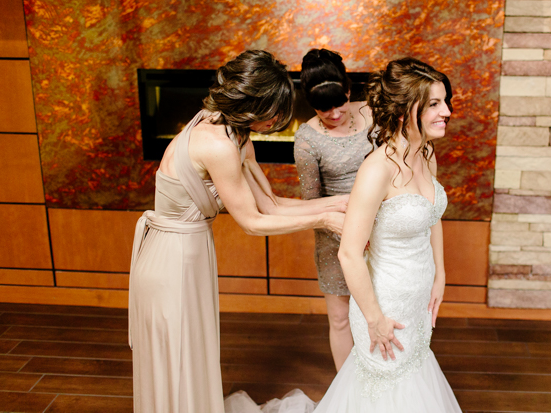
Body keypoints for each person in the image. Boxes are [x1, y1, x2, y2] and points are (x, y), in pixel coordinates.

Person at [128, 50, 345, 413]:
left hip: (191, 252)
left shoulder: (233, 133)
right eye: (275, 110)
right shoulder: (218, 144)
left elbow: (270, 204)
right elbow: (252, 222)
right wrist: (323, 220)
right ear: (254, 103)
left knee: (193, 353)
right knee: (178, 356)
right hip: (171, 261)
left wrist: (337, 203)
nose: (279, 119)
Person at [312, 57, 462, 412]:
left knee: (413, 377)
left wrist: (440, 274)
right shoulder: (376, 170)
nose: (448, 112)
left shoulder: (426, 153)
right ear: (404, 110)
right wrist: (375, 319)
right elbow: (349, 253)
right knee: (386, 388)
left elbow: (430, 217)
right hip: (385, 302)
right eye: (435, 104)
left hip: (418, 293)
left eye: (446, 101)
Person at [293, 49, 373, 371]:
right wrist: (349, 231)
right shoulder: (307, 140)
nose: (334, 114)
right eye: (323, 108)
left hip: (384, 227)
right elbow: (313, 203)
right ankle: (348, 391)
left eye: (339, 104)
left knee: (378, 309)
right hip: (336, 237)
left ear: (348, 90)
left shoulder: (371, 113)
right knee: (340, 317)